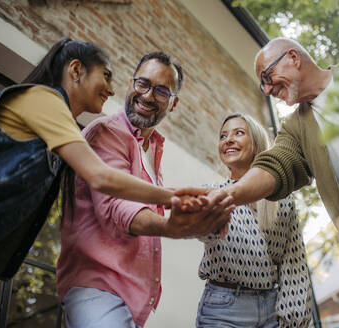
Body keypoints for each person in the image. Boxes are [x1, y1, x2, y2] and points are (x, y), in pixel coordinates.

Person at [0, 38, 219, 280]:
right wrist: (173, 196)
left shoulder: (58, 132)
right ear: (77, 70)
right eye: (106, 75)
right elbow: (101, 177)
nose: (112, 89)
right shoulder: (46, 101)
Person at [56, 51, 234, 328]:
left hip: (133, 297)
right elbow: (117, 206)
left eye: (162, 91)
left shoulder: (153, 149)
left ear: (173, 105)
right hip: (97, 288)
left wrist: (199, 223)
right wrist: (170, 227)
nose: (148, 96)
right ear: (130, 83)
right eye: (143, 84)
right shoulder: (107, 132)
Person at [177, 37, 339, 221]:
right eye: (262, 85)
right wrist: (228, 194)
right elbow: (275, 166)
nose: (268, 90)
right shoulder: (295, 128)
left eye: (267, 77)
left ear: (294, 58)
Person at [195, 113, 312, 328]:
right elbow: (205, 233)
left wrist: (294, 319)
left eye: (238, 133)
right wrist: (200, 216)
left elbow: (293, 261)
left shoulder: (282, 198)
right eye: (223, 136)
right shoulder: (212, 193)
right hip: (224, 309)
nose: (228, 140)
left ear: (256, 142)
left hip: (272, 310)